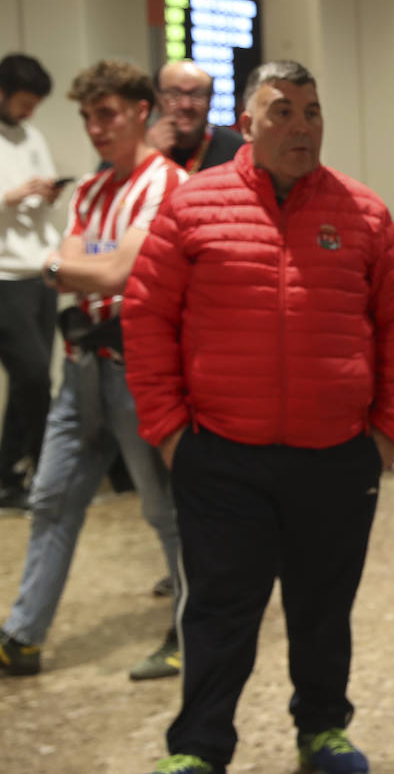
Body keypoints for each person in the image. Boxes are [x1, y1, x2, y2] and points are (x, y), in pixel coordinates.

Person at [123, 60, 394, 774]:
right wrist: (169, 432)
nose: (300, 126)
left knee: (323, 609)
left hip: (337, 455)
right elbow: (145, 317)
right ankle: (199, 746)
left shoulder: (362, 214)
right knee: (219, 611)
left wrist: (388, 435)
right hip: (221, 455)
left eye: (312, 112)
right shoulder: (193, 207)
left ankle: (322, 729)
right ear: (246, 123)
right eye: (282, 111)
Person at [0, 60, 187, 681]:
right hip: (82, 370)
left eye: (106, 114)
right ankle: (22, 636)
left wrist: (59, 266)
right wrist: (69, 264)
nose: (95, 128)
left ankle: (191, 631)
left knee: (165, 511)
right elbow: (85, 263)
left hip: (141, 370)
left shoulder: (166, 184)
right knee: (52, 501)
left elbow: (107, 273)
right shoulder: (93, 191)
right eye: (86, 117)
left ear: (141, 111)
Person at [0, 53, 62, 511]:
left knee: (31, 382)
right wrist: (10, 197)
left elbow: (41, 203)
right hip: (4, 276)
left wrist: (48, 191)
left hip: (40, 269)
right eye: (23, 103)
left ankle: (9, 476)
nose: (29, 113)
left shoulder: (33, 136)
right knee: (35, 376)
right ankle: (35, 471)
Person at [146, 61, 244, 173]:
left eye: (197, 94)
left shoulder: (238, 152)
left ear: (210, 100)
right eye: (174, 94)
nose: (186, 105)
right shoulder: (136, 151)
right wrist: (150, 157)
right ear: (156, 100)